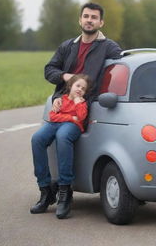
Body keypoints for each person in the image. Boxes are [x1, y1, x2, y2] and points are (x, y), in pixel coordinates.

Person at [30, 74, 91, 219]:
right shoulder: (61, 100)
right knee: (37, 139)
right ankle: (46, 190)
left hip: (72, 127)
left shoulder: (81, 102)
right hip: (59, 123)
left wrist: (77, 103)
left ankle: (64, 191)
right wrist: (71, 117)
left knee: (62, 137)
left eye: (83, 89)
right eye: (77, 86)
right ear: (70, 86)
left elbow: (81, 117)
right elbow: (53, 117)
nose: (80, 90)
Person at [44, 2, 122, 113]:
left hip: (85, 107)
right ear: (80, 20)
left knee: (64, 132)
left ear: (101, 23)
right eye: (86, 16)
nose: (89, 20)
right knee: (42, 131)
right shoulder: (67, 46)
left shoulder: (110, 48)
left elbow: (122, 70)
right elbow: (49, 70)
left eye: (94, 17)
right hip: (61, 104)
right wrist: (65, 76)